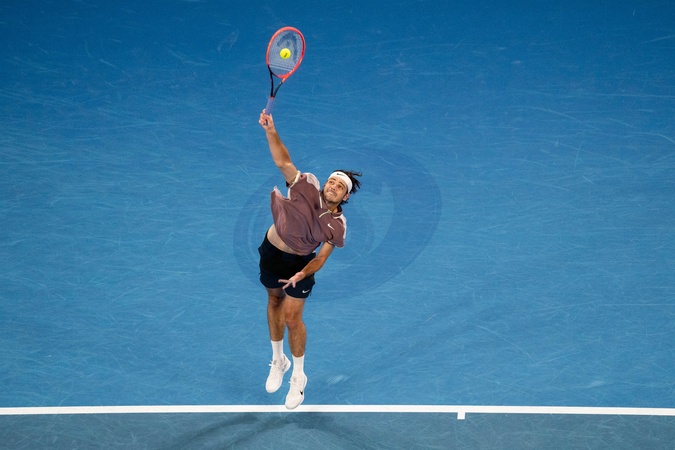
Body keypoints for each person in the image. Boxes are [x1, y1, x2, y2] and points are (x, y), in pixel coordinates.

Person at [257, 110, 361, 409]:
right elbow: (283, 162)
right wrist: (270, 130)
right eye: (331, 181)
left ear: (345, 197)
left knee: (292, 318)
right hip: (271, 253)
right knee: (274, 301)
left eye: (339, 186)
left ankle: (298, 377)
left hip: (299, 265)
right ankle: (278, 360)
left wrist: (303, 273)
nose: (332, 186)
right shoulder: (304, 186)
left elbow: (322, 258)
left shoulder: (337, 225)